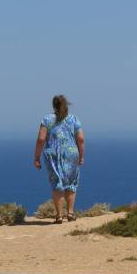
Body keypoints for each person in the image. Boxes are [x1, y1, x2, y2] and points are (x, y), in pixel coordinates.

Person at [34, 95, 85, 224]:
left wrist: (36, 157)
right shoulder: (73, 119)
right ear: (66, 105)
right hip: (71, 153)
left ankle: (59, 216)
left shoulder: (47, 119)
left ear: (54, 105)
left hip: (53, 155)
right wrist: (81, 155)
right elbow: (81, 139)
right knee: (71, 183)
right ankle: (71, 213)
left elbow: (41, 139)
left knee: (57, 184)